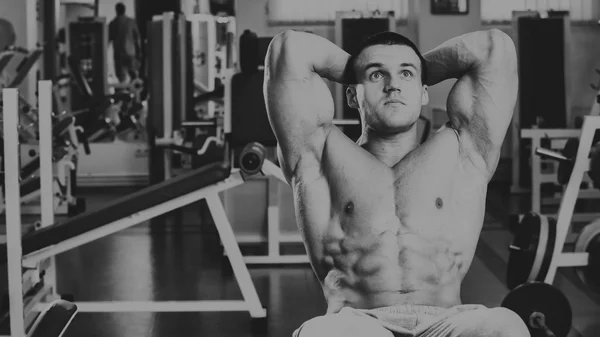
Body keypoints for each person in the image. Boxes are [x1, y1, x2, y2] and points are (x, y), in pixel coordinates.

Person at [264, 29, 529, 337]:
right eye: (378, 76)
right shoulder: (320, 156)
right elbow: (288, 49)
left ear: (424, 91)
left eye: (406, 74)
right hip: (359, 321)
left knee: (504, 325)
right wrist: (362, 67)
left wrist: (414, 65)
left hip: (446, 321)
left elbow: (494, 48)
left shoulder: (462, 151)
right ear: (352, 94)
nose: (393, 86)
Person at [109, 2, 141, 83]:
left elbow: (108, 39)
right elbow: (137, 38)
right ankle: (133, 93)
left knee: (121, 78)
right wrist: (139, 52)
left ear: (116, 10)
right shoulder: (131, 22)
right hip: (131, 53)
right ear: (124, 10)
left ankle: (124, 93)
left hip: (119, 54)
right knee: (134, 75)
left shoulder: (113, 23)